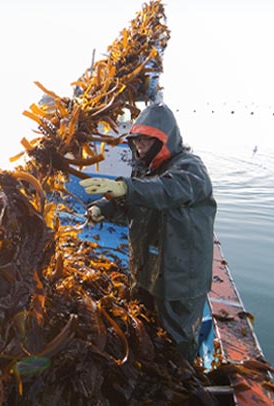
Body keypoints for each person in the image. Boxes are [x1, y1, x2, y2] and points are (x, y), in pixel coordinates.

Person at [79, 103, 216, 361]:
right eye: (137, 141)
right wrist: (103, 209)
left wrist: (125, 188)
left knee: (176, 343)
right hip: (146, 271)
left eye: (146, 141)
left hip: (179, 280)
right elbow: (136, 203)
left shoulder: (190, 169)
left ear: (163, 140)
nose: (140, 147)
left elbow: (165, 191)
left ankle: (181, 380)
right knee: (142, 331)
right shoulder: (145, 169)